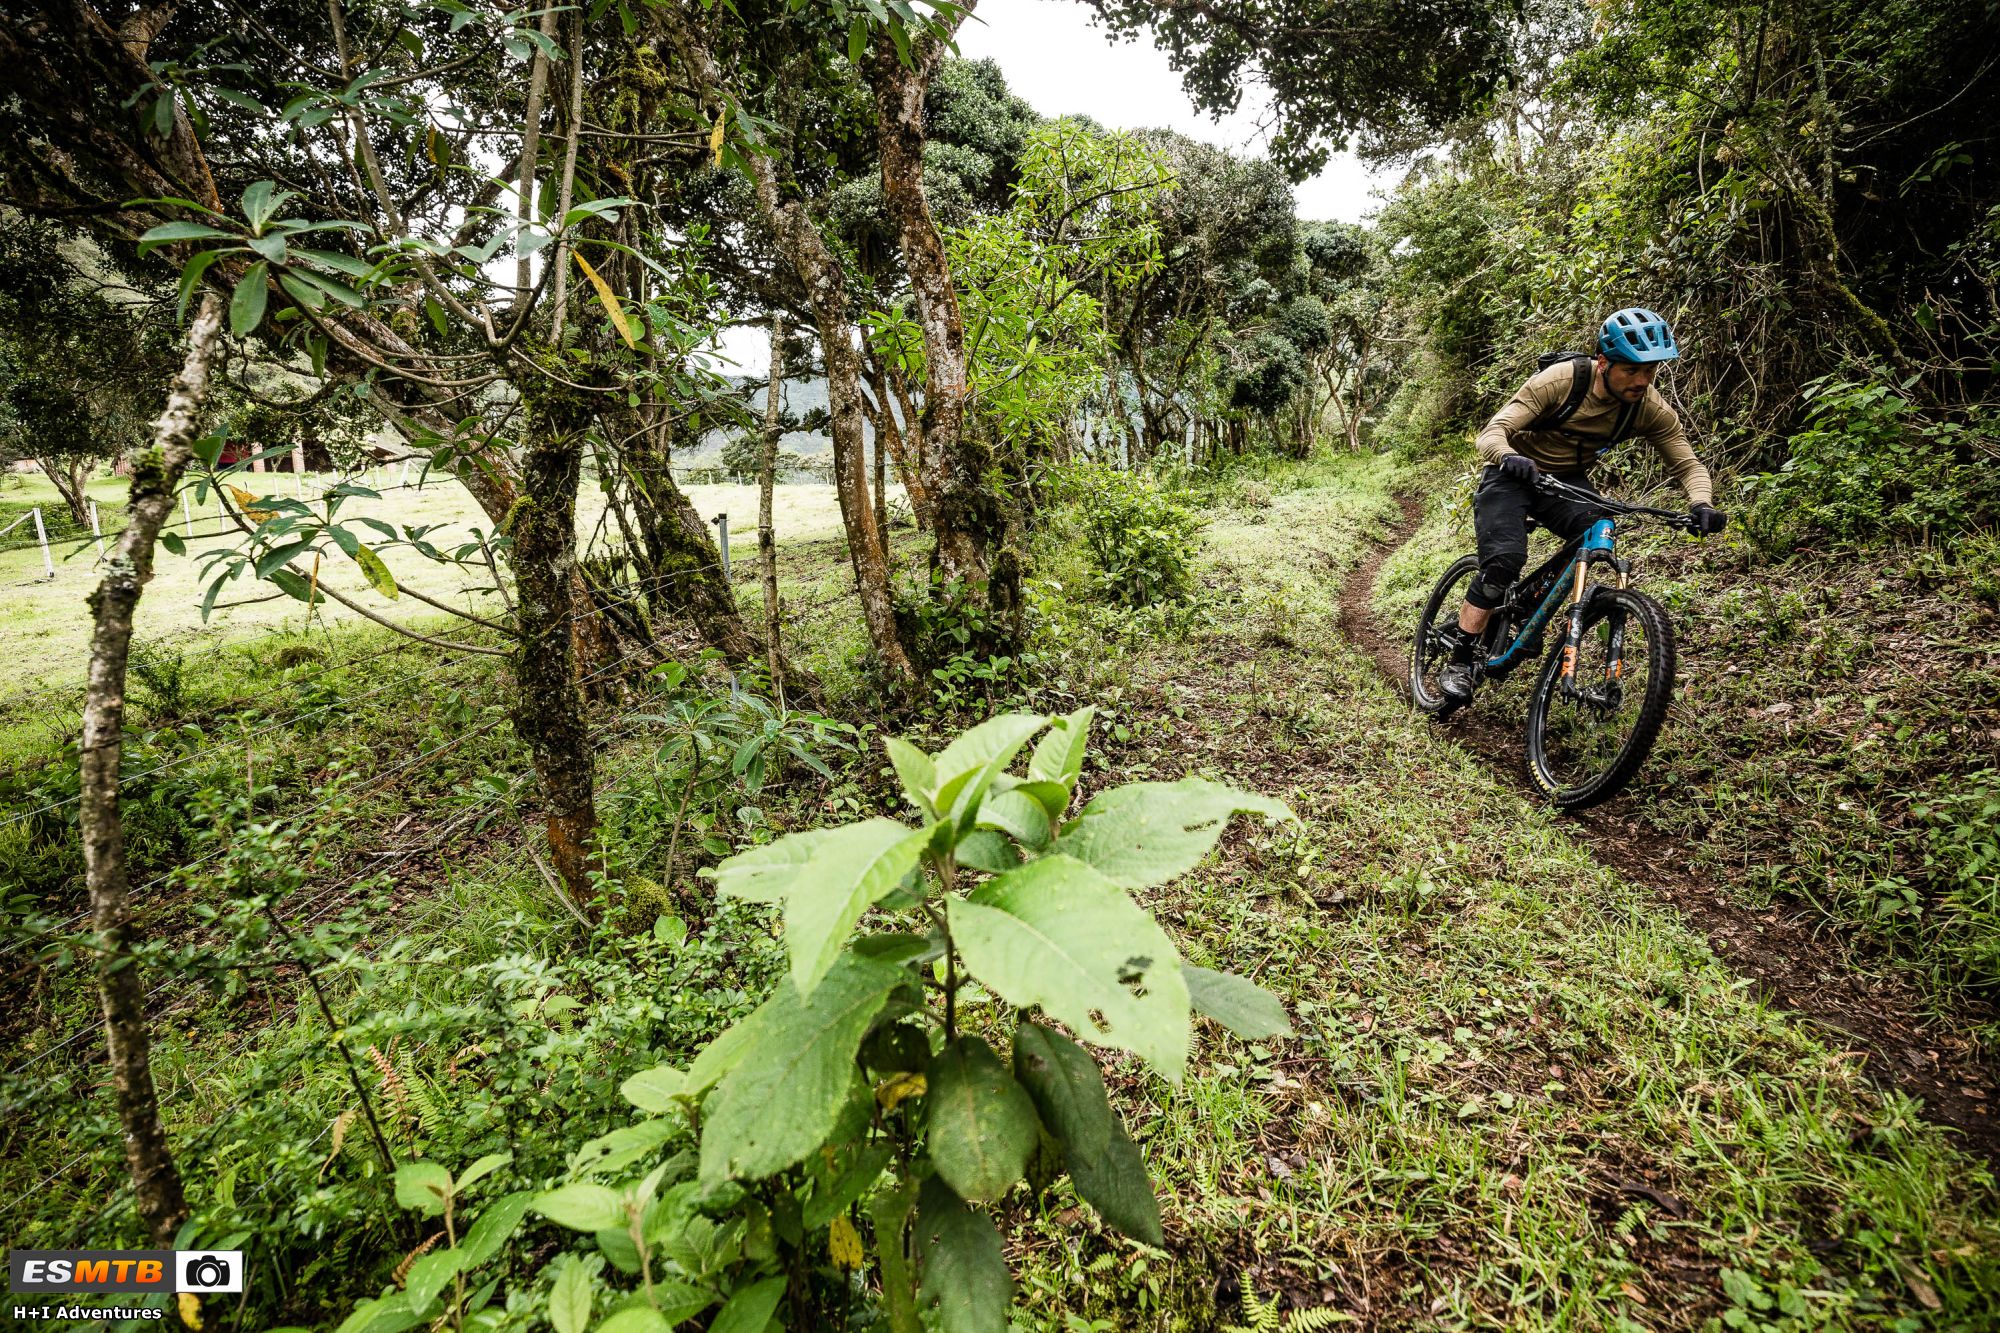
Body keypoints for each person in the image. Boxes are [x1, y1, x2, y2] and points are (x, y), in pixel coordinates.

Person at [1438, 307, 1726, 703]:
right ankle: (1460, 659)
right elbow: (1493, 432)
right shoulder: (1561, 381)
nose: (1642, 381)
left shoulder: (1648, 407)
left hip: (1566, 481)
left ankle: (1529, 610)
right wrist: (1508, 456)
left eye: (1650, 371)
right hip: (1512, 474)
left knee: (1599, 529)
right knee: (1503, 561)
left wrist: (1702, 503)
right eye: (1631, 370)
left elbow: (1687, 463)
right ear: (1603, 363)